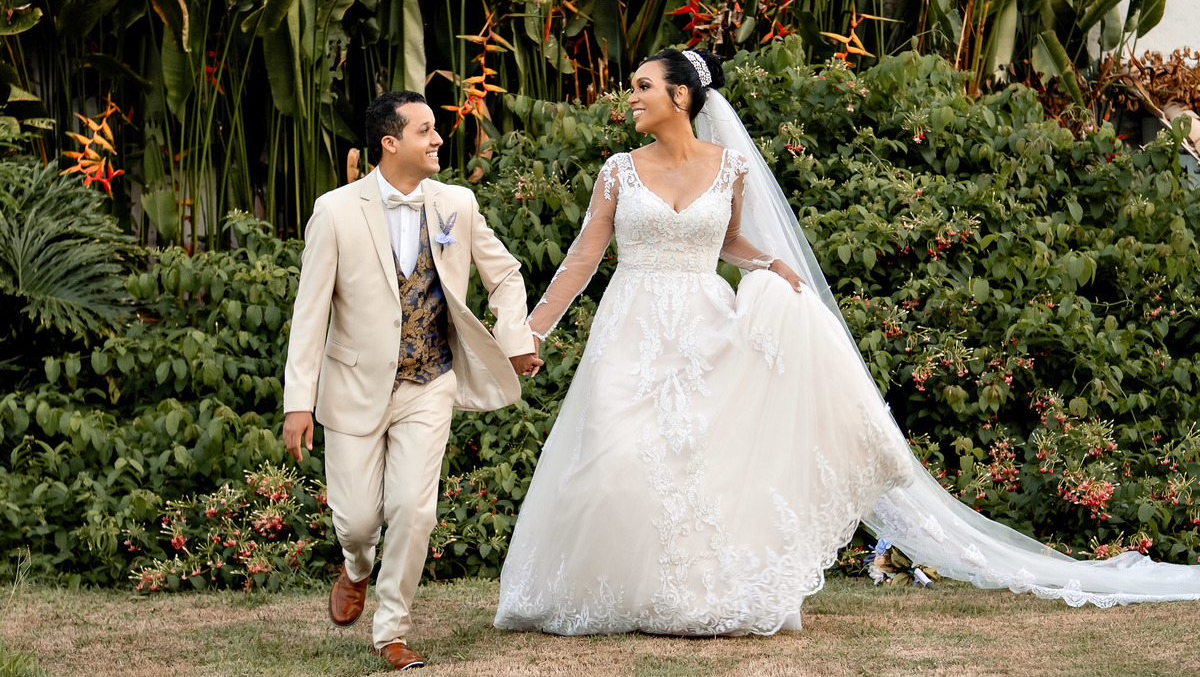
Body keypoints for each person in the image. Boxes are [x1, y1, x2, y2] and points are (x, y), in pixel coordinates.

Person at [495, 49, 1200, 636]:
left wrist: (771, 266)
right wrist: (533, 330)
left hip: (706, 319)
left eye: (644, 87)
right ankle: (604, 587)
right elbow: (584, 257)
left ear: (681, 94)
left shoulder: (730, 167)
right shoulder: (619, 168)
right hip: (633, 325)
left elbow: (730, 239)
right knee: (616, 456)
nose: (632, 99)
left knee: (694, 460)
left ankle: (681, 595)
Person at [282, 90, 543, 670]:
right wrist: (298, 402)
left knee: (415, 510)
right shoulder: (335, 211)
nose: (438, 140)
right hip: (352, 385)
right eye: (426, 130)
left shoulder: (458, 205)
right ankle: (355, 565)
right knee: (355, 521)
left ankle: (391, 631)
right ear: (390, 142)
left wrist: (516, 338)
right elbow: (310, 312)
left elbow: (505, 277)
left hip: (430, 383)